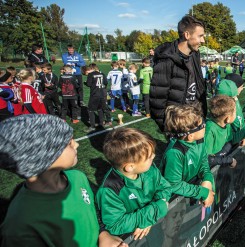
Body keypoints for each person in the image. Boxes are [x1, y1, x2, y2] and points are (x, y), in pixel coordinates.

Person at [0, 114, 127, 247]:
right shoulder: (21, 226)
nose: (76, 144)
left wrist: (104, 235)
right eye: (68, 143)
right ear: (44, 156)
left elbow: (93, 210)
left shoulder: (77, 177)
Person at [97, 127, 172, 238]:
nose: (154, 157)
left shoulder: (150, 169)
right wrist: (155, 210)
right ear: (130, 167)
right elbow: (115, 225)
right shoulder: (110, 190)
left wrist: (149, 217)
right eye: (149, 157)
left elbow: (165, 188)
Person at [150, 15, 207, 131]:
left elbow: (198, 86)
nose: (203, 40)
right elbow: (157, 101)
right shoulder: (166, 60)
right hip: (178, 125)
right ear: (187, 35)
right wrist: (170, 128)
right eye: (200, 36)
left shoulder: (195, 54)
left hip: (195, 118)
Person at [160, 104, 215, 207]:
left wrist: (207, 179)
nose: (205, 125)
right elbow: (173, 185)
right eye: (202, 125)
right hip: (173, 200)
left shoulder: (199, 140)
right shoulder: (174, 153)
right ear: (190, 136)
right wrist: (202, 192)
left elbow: (203, 162)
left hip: (188, 190)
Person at [204, 95, 240, 167]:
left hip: (220, 158)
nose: (236, 114)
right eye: (235, 112)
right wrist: (229, 160)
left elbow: (229, 141)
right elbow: (207, 159)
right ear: (228, 118)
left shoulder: (227, 124)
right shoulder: (210, 130)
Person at [85, 64, 108, 131]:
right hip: (101, 93)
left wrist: (86, 83)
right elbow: (104, 82)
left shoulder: (90, 74)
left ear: (91, 68)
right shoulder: (100, 74)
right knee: (100, 109)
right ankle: (101, 123)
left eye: (89, 69)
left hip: (94, 94)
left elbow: (89, 84)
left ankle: (92, 126)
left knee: (90, 110)